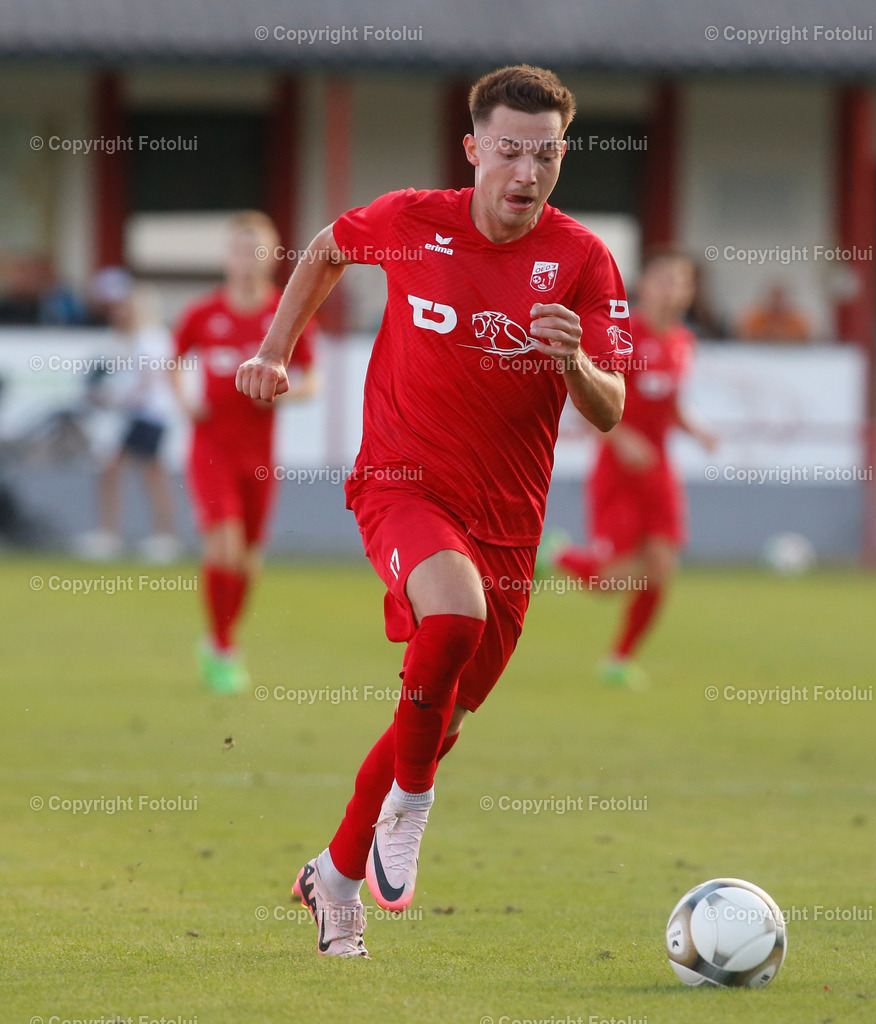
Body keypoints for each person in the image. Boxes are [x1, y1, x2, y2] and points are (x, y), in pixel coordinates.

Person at [236, 65, 631, 958]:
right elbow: (329, 247)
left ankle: (333, 876)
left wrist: (573, 362)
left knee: (440, 713)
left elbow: (610, 408)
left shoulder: (581, 260)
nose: (525, 173)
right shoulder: (414, 219)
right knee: (450, 615)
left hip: (509, 519)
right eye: (508, 152)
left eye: (544, 155)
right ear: (473, 149)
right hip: (399, 481)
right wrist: (274, 349)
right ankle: (410, 805)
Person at [546, 250, 716, 687]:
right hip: (616, 470)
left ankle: (619, 660)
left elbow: (671, 404)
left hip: (659, 472)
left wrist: (696, 431)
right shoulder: (624, 334)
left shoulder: (683, 342)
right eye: (665, 280)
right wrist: (621, 439)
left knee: (662, 566)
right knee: (610, 581)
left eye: (682, 281)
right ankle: (559, 556)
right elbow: (591, 402)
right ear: (645, 286)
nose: (674, 289)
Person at [170, 212, 317, 694]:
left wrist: (278, 391)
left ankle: (222, 642)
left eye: (258, 250)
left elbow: (313, 379)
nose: (248, 260)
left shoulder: (284, 312)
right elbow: (173, 359)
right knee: (225, 546)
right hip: (211, 449)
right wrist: (185, 400)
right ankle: (221, 645)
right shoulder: (202, 312)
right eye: (240, 249)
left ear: (274, 257)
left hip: (258, 455)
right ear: (227, 257)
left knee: (250, 558)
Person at [74, 268, 181, 563]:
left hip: (150, 416)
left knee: (144, 474)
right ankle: (126, 535)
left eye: (125, 307)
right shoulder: (131, 339)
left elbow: (146, 385)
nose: (119, 313)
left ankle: (153, 537)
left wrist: (111, 398)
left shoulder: (149, 339)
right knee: (130, 473)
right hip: (142, 416)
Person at [738, 282, 811, 343]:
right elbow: (747, 335)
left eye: (780, 297)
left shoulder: (796, 319)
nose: (777, 302)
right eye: (774, 297)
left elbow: (804, 337)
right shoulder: (757, 318)